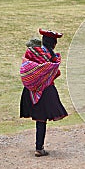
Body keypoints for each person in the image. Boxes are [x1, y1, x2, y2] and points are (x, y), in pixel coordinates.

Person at [20, 29, 68, 157]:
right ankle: (39, 148)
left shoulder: (32, 52)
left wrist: (35, 77)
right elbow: (54, 72)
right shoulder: (51, 57)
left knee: (39, 119)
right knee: (42, 119)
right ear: (53, 43)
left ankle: (39, 146)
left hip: (30, 90)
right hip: (46, 91)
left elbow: (26, 66)